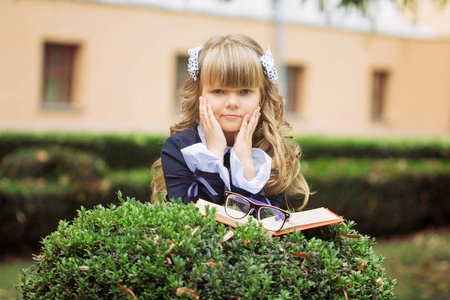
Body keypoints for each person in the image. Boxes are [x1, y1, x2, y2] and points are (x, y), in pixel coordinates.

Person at [151, 34, 309, 210]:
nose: (232, 102)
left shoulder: (270, 149)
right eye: (218, 91)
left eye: (244, 91)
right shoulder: (179, 148)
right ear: (199, 94)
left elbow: (262, 225)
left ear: (262, 96)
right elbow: (192, 219)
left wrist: (246, 163)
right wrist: (213, 155)